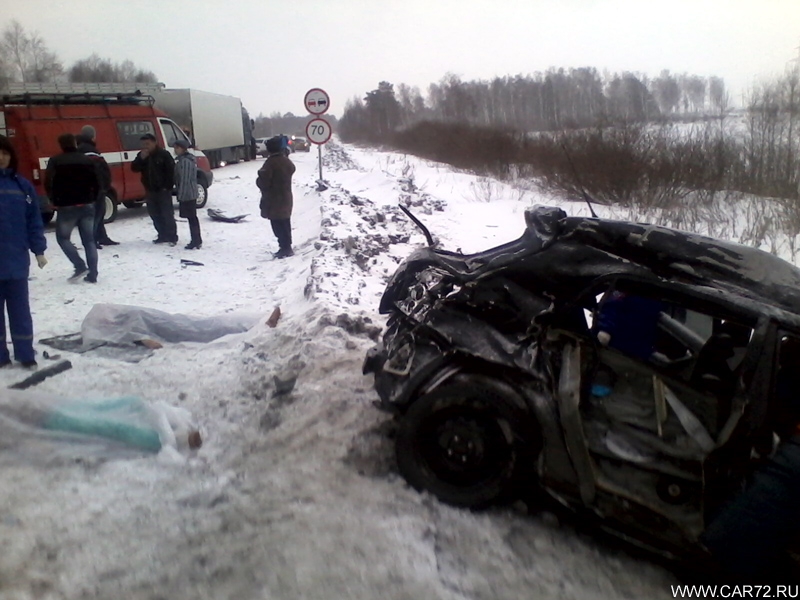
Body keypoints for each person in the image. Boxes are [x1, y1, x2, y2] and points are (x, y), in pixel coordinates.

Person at [0, 135, 47, 369]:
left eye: (5, 153)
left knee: (20, 311)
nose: (1, 157)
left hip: (16, 261)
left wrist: (38, 249)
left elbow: (33, 220)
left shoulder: (22, 185)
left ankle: (25, 354)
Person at [45, 133, 100, 283]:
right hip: (87, 203)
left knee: (63, 238)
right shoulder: (87, 160)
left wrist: (53, 199)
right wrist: (93, 197)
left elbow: (48, 181)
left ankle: (79, 265)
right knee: (89, 240)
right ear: (75, 143)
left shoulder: (55, 161)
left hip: (66, 205)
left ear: (61, 145)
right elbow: (96, 181)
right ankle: (93, 273)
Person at [76, 125, 119, 249]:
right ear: (93, 136)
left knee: (97, 214)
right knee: (96, 214)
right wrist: (103, 185)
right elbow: (99, 170)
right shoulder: (90, 151)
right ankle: (93, 240)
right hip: (95, 188)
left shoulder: (80, 148)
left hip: (89, 188)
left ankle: (101, 237)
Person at [131, 133, 177, 245]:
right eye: (143, 144)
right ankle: (161, 234)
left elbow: (171, 171)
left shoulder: (163, 154)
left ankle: (171, 236)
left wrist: (168, 186)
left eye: (147, 144)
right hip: (150, 189)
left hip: (163, 189)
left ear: (154, 143)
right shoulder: (142, 155)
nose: (145, 146)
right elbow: (134, 168)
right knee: (154, 214)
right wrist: (141, 159)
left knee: (167, 213)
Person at [257, 136, 296, 258]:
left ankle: (284, 248)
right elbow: (292, 169)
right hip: (286, 196)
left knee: (277, 224)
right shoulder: (285, 160)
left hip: (274, 199)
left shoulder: (270, 163)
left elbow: (264, 182)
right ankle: (287, 246)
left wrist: (260, 178)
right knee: (285, 222)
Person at [172, 139, 202, 250]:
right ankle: (196, 239)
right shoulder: (184, 160)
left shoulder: (185, 162)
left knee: (191, 217)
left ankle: (196, 240)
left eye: (177, 148)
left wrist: (181, 195)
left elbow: (185, 179)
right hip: (189, 192)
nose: (175, 150)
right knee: (191, 217)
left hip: (188, 193)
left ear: (183, 148)